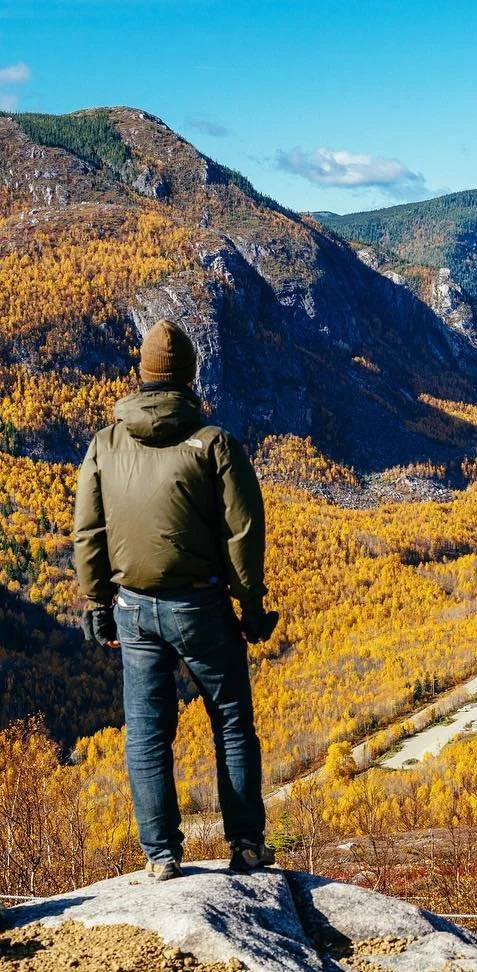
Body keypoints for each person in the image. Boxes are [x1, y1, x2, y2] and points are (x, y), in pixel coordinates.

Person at [74, 319, 278, 881]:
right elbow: (243, 534)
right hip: (201, 607)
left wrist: (96, 602)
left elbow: (89, 532)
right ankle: (246, 846)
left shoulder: (105, 444)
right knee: (232, 722)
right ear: (189, 375)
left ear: (141, 376)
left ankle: (161, 856)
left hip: (132, 608)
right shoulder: (214, 444)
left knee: (145, 733)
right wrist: (252, 607)